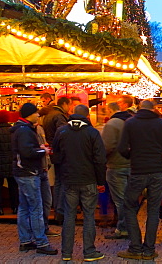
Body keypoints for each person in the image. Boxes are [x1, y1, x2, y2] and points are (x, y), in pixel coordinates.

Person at [116, 100, 162, 260]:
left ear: (139, 108)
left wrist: (132, 156)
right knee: (153, 210)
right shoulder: (160, 124)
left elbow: (121, 148)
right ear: (153, 109)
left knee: (129, 206)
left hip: (138, 171)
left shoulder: (130, 123)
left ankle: (135, 247)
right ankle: (149, 249)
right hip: (156, 171)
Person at [53, 104, 106, 262]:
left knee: (69, 215)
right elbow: (100, 160)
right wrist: (101, 181)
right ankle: (89, 252)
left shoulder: (61, 132)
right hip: (88, 179)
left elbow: (56, 156)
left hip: (69, 180)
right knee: (89, 216)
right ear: (87, 116)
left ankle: (66, 252)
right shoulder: (92, 133)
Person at [12, 103, 58, 256]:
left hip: (24, 172)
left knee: (24, 207)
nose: (38, 115)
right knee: (35, 207)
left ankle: (25, 240)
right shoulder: (25, 131)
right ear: (29, 114)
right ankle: (41, 242)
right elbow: (27, 152)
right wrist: (42, 150)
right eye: (36, 113)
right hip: (29, 172)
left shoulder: (21, 129)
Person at [100, 97, 133, 240]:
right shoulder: (131, 120)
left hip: (116, 164)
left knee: (120, 199)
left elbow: (107, 147)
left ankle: (123, 228)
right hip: (132, 165)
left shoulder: (112, 124)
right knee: (128, 198)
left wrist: (100, 158)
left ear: (109, 110)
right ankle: (129, 226)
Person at [42, 96, 70, 224]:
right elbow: (63, 134)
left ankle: (58, 210)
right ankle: (61, 211)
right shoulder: (59, 116)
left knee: (59, 181)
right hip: (61, 152)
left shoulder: (48, 115)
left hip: (54, 151)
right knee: (62, 181)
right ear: (64, 104)